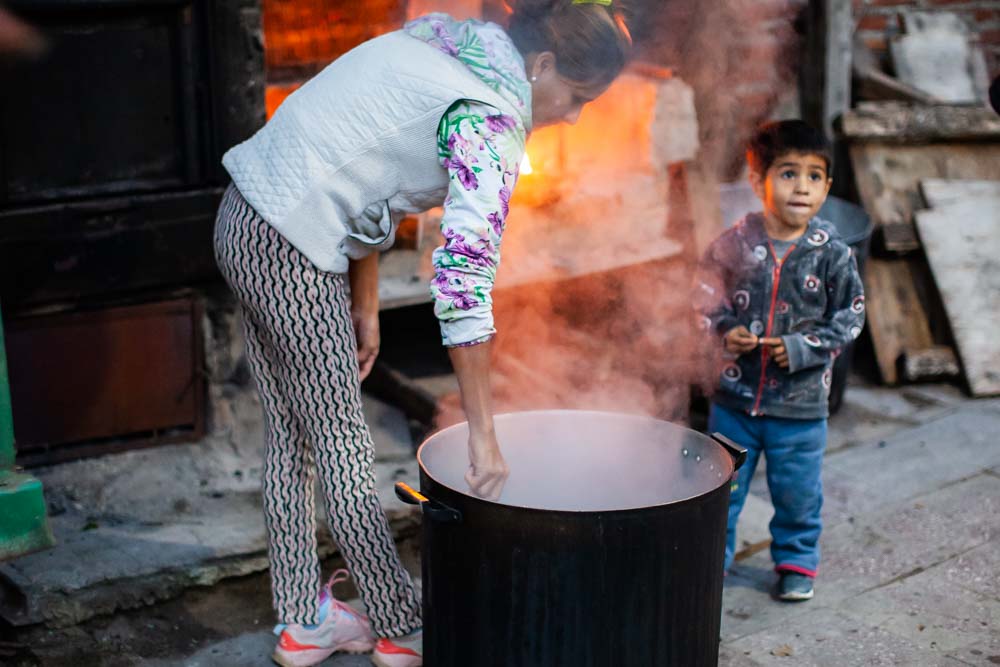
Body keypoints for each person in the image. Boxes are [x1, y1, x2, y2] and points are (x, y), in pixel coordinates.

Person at [212, 2, 632, 666]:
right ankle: (402, 623)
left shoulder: (453, 46)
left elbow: (362, 166)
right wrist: (485, 435)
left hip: (244, 217)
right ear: (543, 65)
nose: (574, 115)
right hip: (289, 247)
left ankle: (302, 622)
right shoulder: (488, 121)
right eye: (577, 97)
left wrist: (367, 304)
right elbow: (463, 288)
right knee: (342, 445)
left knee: (291, 438)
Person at [694, 120, 865, 603]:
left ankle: (796, 561)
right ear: (758, 181)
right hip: (734, 400)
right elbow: (704, 297)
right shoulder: (734, 244)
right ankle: (712, 562)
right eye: (788, 174)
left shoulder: (832, 254)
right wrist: (727, 329)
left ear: (827, 188)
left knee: (798, 493)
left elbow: (848, 320)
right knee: (720, 491)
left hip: (801, 407)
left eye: (814, 177)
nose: (802, 187)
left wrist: (797, 349)